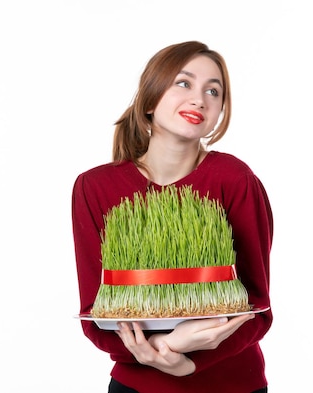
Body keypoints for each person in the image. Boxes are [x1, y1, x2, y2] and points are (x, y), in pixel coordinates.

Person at [71, 41, 273, 393]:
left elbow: (258, 308)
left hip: (232, 386)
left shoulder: (234, 178)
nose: (200, 99)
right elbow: (94, 313)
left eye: (214, 91)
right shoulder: (95, 187)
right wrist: (155, 352)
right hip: (137, 386)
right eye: (184, 83)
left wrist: (186, 361)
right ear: (150, 100)